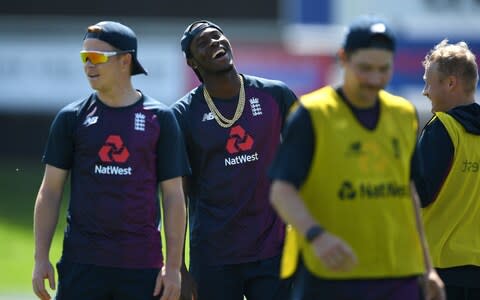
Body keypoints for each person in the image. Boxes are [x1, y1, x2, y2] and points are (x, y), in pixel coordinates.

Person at [268, 15, 445, 300]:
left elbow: (409, 193)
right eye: (365, 68)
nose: (374, 79)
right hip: (332, 273)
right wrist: (317, 236)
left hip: (398, 271)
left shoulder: (403, 114)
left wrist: (427, 267)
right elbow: (281, 190)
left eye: (383, 69)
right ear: (343, 59)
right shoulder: (312, 113)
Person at [32, 21, 190, 300]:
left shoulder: (161, 119)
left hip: (143, 267)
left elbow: (174, 196)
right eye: (84, 57)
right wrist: (40, 258)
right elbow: (50, 191)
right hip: (82, 264)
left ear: (125, 61)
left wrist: (174, 267)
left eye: (96, 58)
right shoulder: (71, 118)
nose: (88, 65)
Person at [171, 20, 297, 300]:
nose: (214, 43)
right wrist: (178, 267)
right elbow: (175, 195)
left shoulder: (275, 94)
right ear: (192, 62)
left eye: (217, 36)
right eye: (203, 43)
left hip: (273, 252)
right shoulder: (181, 115)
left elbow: (309, 160)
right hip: (214, 258)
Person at [413, 39, 480, 300]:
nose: (425, 92)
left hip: (439, 268)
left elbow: (420, 193)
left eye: (429, 83)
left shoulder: (443, 126)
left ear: (450, 83)